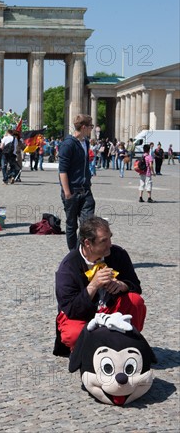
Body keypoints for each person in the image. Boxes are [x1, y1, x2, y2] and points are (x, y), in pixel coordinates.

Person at [54, 216, 146, 353]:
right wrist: (93, 285)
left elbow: (136, 286)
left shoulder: (118, 254)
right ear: (87, 243)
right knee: (73, 334)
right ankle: (85, 351)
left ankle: (129, 342)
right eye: (104, 241)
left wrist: (122, 285)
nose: (110, 244)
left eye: (110, 238)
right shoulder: (69, 266)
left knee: (135, 301)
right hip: (82, 315)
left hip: (110, 310)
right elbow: (71, 309)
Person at [58, 114, 95, 252]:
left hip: (85, 189)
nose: (92, 129)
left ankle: (80, 251)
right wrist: (67, 192)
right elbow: (63, 170)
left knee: (88, 224)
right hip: (72, 190)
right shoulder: (68, 144)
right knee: (71, 224)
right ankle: (74, 255)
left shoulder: (85, 142)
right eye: (90, 126)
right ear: (84, 127)